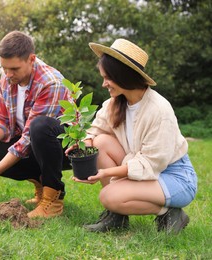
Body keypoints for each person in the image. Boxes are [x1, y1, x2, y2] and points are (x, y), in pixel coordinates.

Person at [70, 38, 198, 234]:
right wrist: (85, 145)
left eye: (108, 78)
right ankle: (117, 217)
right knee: (100, 142)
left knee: (109, 196)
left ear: (123, 76)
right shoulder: (116, 103)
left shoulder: (158, 110)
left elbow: (150, 164)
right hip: (142, 166)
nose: (104, 84)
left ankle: (169, 213)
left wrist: (106, 174)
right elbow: (95, 130)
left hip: (174, 176)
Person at [0, 31, 73, 218]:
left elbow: (27, 140)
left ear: (31, 59)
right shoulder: (7, 79)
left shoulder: (51, 83)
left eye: (14, 69)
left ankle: (54, 198)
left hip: (62, 148)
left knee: (40, 126)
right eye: (4, 68)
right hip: (33, 144)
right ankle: (41, 183)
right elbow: (2, 121)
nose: (8, 74)